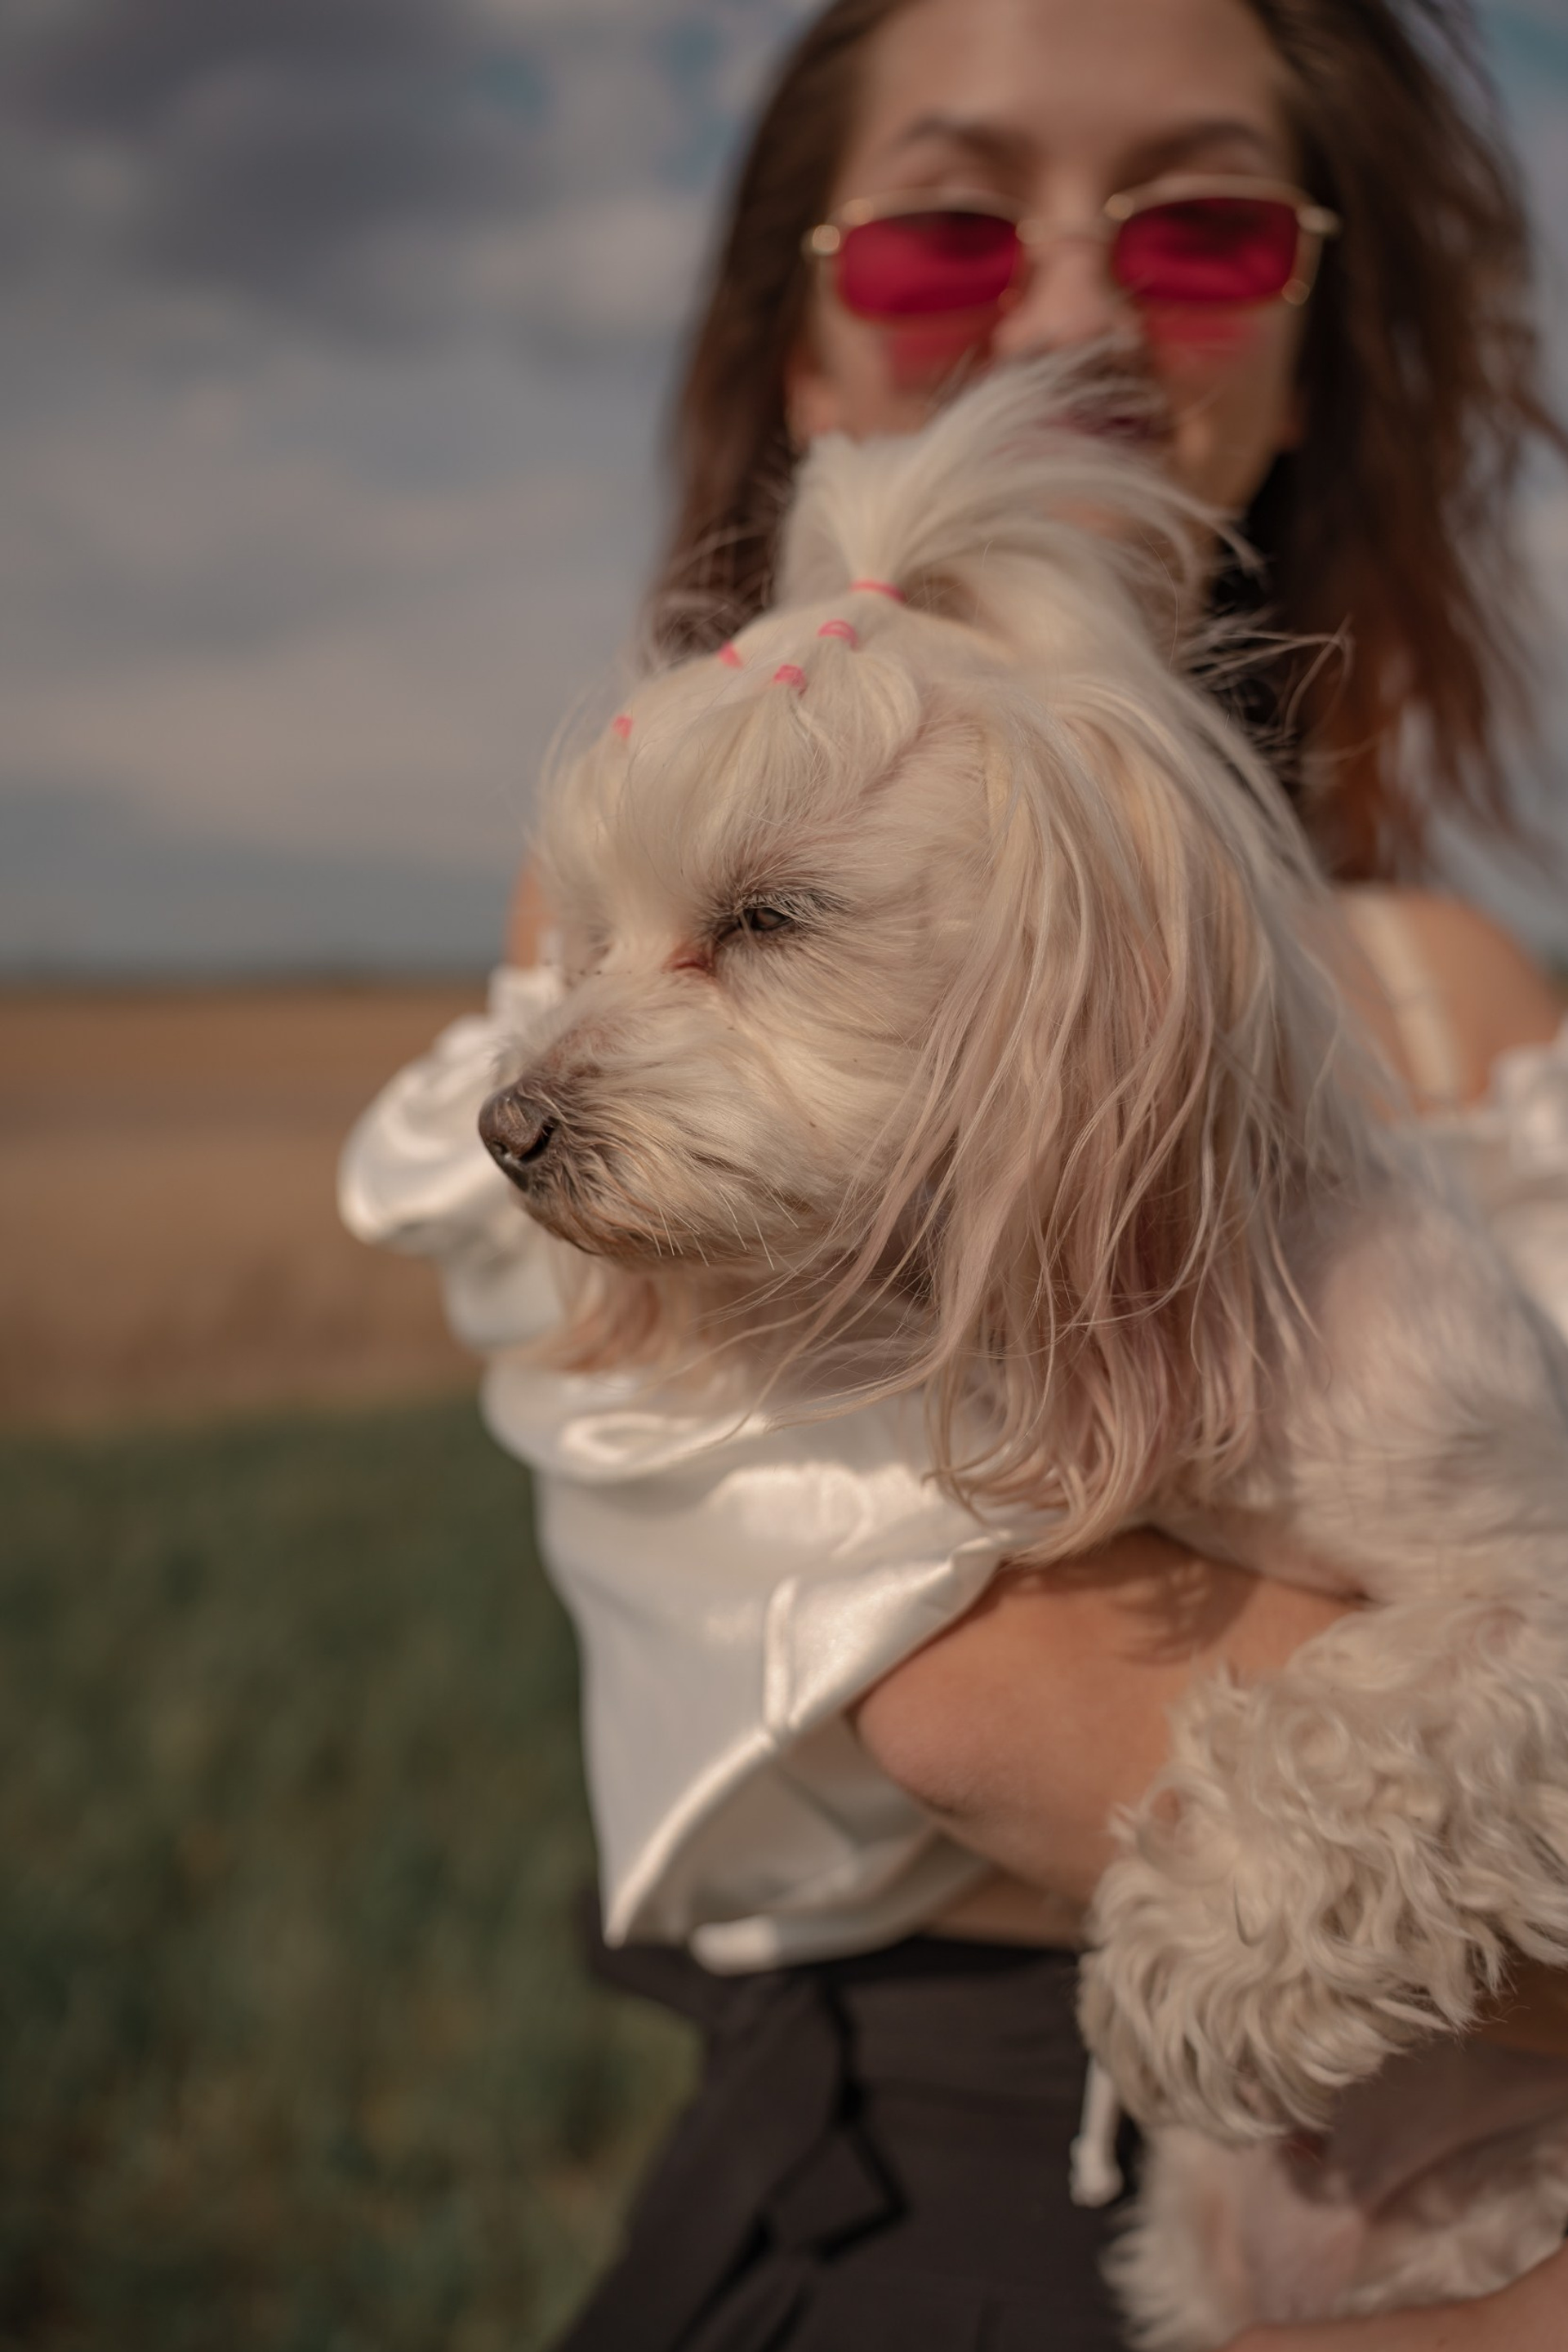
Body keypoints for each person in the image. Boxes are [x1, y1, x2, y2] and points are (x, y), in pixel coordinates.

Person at [341, 0, 1568, 2343]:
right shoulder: (640, 890)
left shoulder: (1461, 1001)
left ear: (1314, 359)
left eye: (1204, 226)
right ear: (801, 347)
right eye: (944, 232)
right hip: (943, 2218)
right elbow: (989, 1720)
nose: (1082, 307)